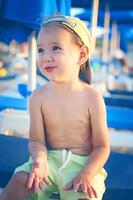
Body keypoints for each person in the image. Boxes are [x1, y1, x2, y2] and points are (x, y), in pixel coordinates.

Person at [0, 15, 110, 200]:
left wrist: (87, 173)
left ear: (82, 55)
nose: (46, 57)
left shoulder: (92, 97)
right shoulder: (38, 97)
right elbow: (36, 140)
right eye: (41, 50)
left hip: (82, 164)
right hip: (47, 160)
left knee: (84, 195)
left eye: (56, 48)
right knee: (19, 182)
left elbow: (102, 146)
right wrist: (40, 159)